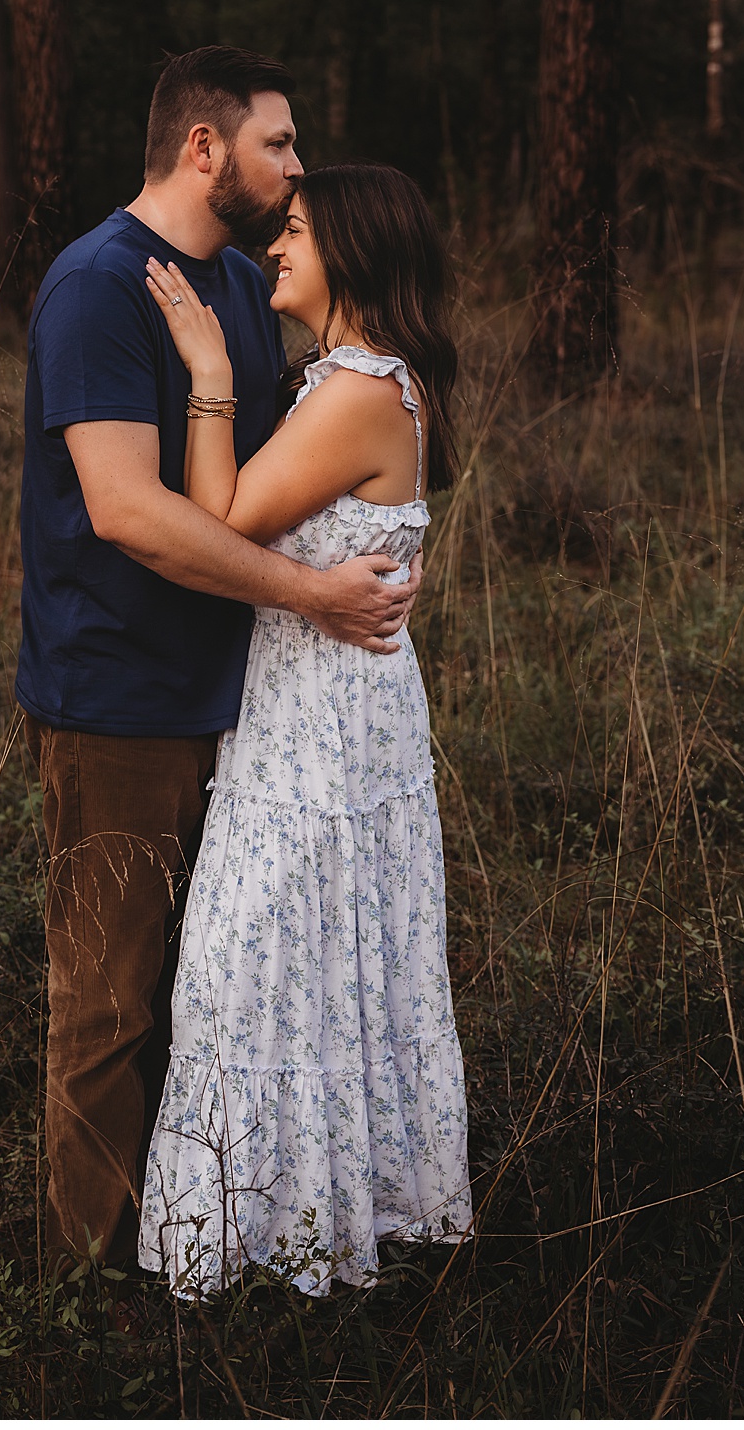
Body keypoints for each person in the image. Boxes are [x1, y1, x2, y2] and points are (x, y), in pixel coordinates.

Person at [16, 49, 423, 1272]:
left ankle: (213, 1235)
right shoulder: (97, 288)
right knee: (109, 1001)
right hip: (120, 699)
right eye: (280, 145)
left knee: (217, 992)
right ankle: (86, 1289)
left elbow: (266, 480)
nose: (298, 167)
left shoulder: (243, 288)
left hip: (249, 705)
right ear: (206, 148)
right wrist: (317, 593)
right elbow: (134, 511)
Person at [137, 163, 473, 1296]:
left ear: (356, 250)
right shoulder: (346, 379)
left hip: (322, 728)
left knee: (258, 964)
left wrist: (210, 377)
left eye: (295, 230)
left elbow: (219, 519)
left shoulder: (362, 388)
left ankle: (282, 1241)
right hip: (315, 708)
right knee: (308, 965)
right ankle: (301, 1228)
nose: (276, 245)